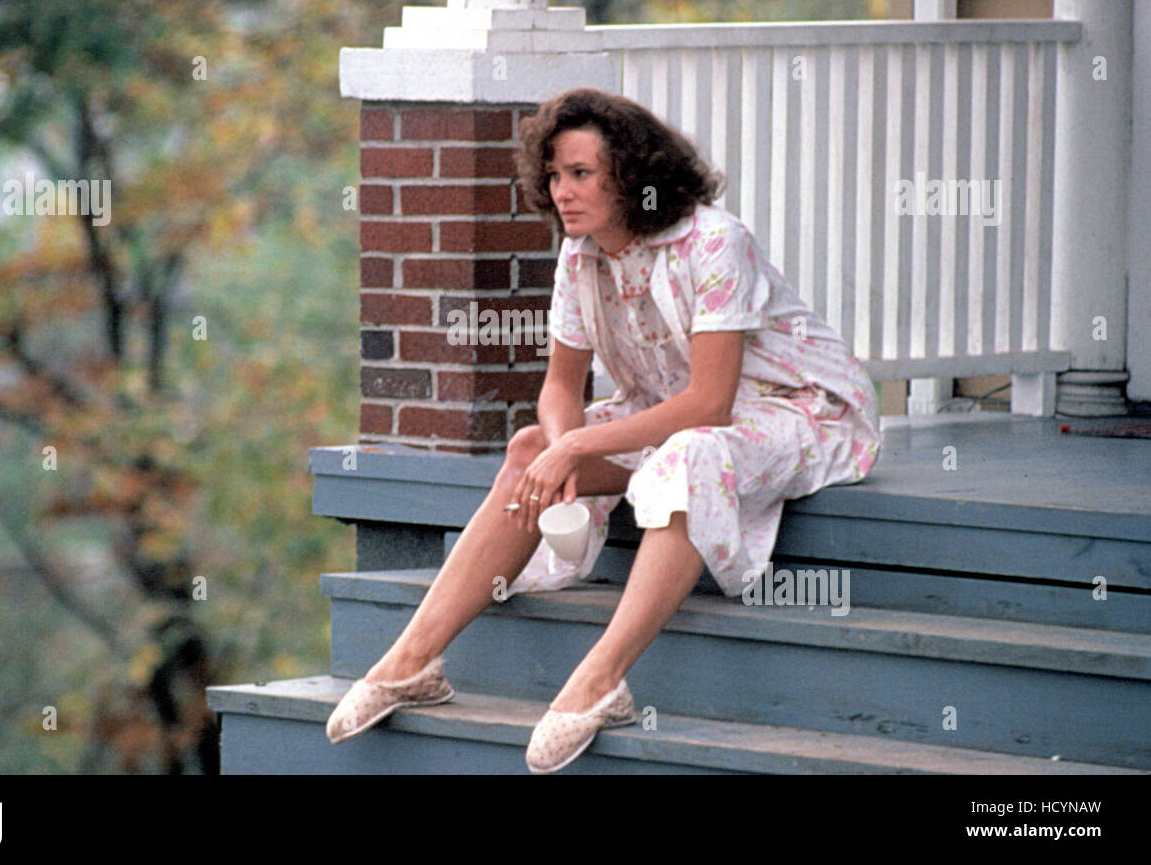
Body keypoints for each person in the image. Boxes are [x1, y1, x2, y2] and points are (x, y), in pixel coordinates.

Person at [326, 87, 881, 774]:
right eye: (555, 175)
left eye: (581, 174)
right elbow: (560, 388)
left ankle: (601, 681)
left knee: (686, 456)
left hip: (794, 410)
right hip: (667, 410)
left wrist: (582, 445)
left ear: (633, 174)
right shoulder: (579, 256)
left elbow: (710, 402)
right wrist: (559, 448)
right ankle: (411, 661)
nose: (563, 191)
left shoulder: (714, 241)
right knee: (531, 446)